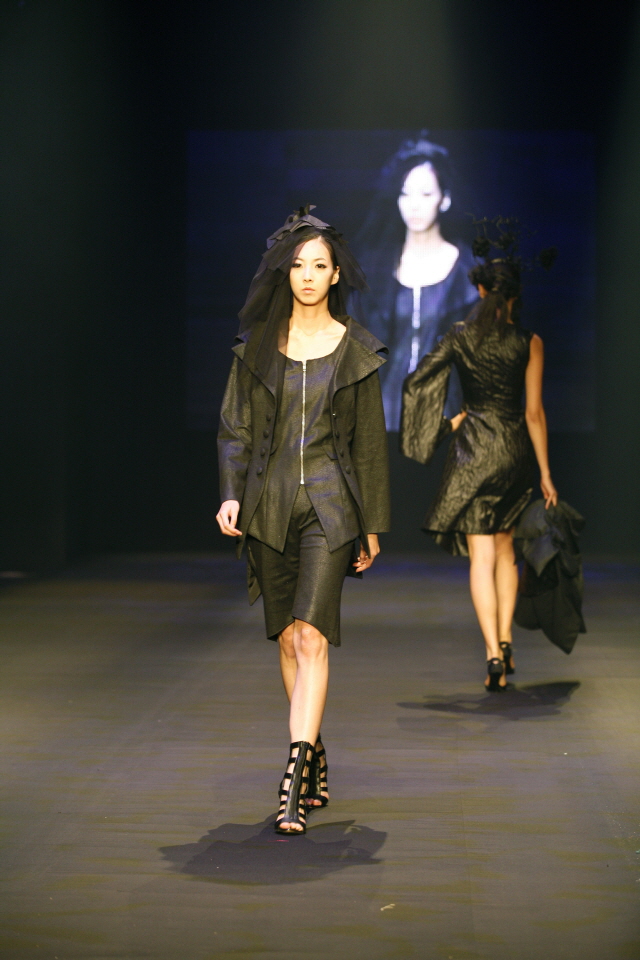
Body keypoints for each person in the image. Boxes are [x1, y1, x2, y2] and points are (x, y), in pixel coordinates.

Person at [216, 207, 390, 832]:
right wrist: (231, 493)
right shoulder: (258, 349)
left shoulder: (356, 350)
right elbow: (235, 427)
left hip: (331, 508)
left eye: (320, 265)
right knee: (289, 638)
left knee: (313, 635)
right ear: (284, 273)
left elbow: (369, 445)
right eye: (298, 265)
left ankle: (291, 780)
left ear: (336, 274)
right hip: (268, 506)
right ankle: (313, 750)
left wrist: (372, 524)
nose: (309, 275)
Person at [400, 253, 558, 691]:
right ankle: (506, 641)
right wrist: (545, 472)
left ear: (481, 289)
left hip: (472, 452)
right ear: (515, 295)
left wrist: (443, 426)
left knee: (482, 557)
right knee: (507, 553)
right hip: (512, 452)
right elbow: (533, 413)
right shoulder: (529, 341)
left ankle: (491, 652)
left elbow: (418, 381)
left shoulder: (460, 335)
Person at [352, 133, 478, 430]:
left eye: (425, 194)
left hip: (445, 414)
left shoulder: (469, 273)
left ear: (445, 199)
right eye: (405, 193)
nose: (414, 205)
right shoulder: (375, 269)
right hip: (384, 412)